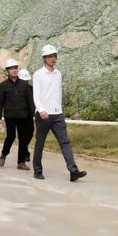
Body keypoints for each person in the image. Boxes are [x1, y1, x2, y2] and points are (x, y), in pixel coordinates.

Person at [32, 45, 87, 182]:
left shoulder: (58, 74)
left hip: (57, 115)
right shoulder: (38, 74)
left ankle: (73, 171)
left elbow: (58, 94)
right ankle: (37, 171)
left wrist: (60, 110)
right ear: (44, 58)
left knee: (65, 142)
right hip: (43, 115)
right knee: (40, 143)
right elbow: (36, 96)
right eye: (50, 56)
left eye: (54, 56)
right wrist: (41, 110)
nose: (53, 58)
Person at [0, 59, 35, 170]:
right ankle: (4, 154)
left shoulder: (24, 84)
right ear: (7, 71)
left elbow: (30, 101)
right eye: (11, 68)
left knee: (23, 139)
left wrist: (33, 115)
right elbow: (0, 102)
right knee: (11, 137)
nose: (14, 70)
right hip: (10, 116)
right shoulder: (3, 85)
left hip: (24, 116)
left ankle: (21, 162)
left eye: (15, 68)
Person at [18, 68, 33, 163]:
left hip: (29, 115)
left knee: (30, 133)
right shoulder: (16, 89)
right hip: (19, 115)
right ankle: (24, 154)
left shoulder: (31, 89)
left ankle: (25, 149)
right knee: (22, 135)